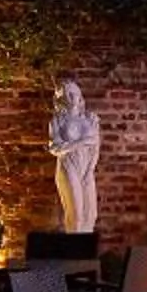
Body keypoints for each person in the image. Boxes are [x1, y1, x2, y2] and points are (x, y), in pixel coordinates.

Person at [48, 79, 101, 232]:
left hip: (87, 166)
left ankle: (84, 253)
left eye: (74, 93)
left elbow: (95, 147)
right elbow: (55, 147)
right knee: (76, 214)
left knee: (90, 214)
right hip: (68, 165)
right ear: (61, 99)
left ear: (79, 95)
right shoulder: (57, 121)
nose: (71, 98)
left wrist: (90, 169)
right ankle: (74, 253)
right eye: (67, 95)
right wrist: (81, 142)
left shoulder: (90, 119)